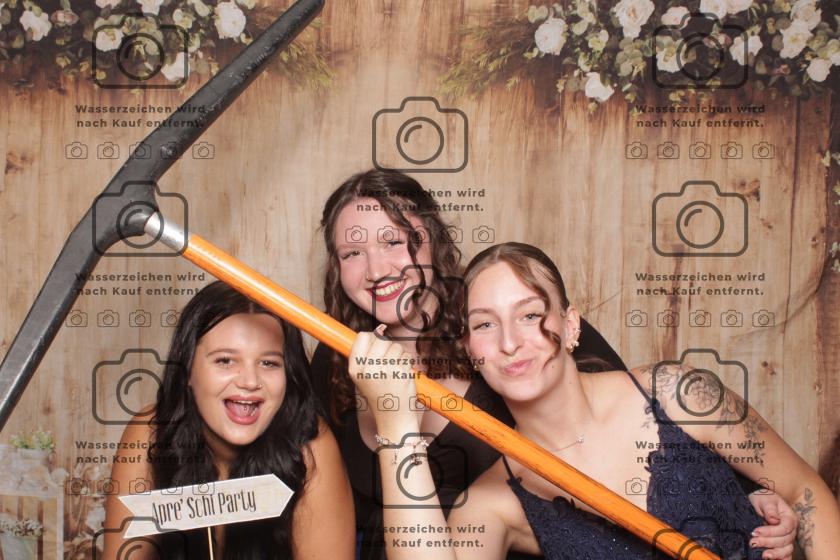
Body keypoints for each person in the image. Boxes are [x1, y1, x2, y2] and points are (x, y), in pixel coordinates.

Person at [313, 169, 798, 560]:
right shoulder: (333, 359)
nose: (376, 269)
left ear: (432, 240)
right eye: (353, 252)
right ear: (337, 267)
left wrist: (739, 501)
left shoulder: (520, 333)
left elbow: (642, 443)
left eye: (394, 240)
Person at [103, 281, 355, 559]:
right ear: (187, 370)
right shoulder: (150, 432)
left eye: (269, 363)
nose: (249, 381)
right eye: (225, 361)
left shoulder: (310, 445)